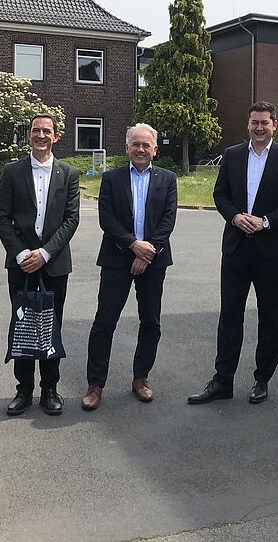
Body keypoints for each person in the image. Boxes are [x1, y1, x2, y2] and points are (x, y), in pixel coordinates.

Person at [188, 101, 278, 405]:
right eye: (254, 122)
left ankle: (261, 379)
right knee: (230, 314)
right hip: (236, 247)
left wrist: (266, 222)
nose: (259, 127)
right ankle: (222, 381)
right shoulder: (232, 155)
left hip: (271, 250)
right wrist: (234, 216)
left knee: (269, 315)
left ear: (274, 125)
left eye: (264, 123)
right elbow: (220, 194)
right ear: (248, 124)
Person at [81, 124, 178, 410]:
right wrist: (133, 245)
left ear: (155, 150)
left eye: (146, 145)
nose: (140, 149)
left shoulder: (168, 179)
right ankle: (95, 385)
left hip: (154, 261)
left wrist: (147, 252)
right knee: (104, 322)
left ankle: (140, 379)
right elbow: (107, 219)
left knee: (151, 322)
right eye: (135, 144)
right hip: (116, 258)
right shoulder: (111, 178)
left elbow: (167, 221)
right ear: (126, 148)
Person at [0, 114, 80, 416]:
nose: (41, 135)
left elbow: (71, 220)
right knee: (23, 324)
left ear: (56, 136)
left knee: (51, 326)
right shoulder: (12, 172)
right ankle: (24, 390)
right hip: (20, 265)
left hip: (54, 264)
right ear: (28, 135)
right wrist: (21, 254)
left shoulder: (69, 174)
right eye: (35, 131)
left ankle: (50, 389)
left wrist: (44, 253)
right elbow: (1, 218)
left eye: (47, 131)